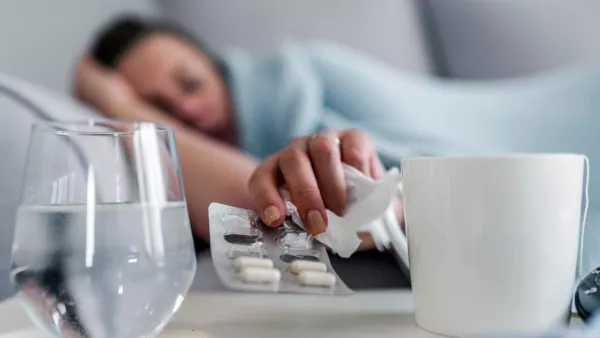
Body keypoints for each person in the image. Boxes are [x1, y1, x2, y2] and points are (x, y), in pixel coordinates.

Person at [74, 15, 409, 288]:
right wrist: (118, 106)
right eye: (161, 109)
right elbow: (252, 209)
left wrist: (120, 103)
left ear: (216, 68)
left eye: (191, 83)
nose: (188, 109)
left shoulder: (304, 77)